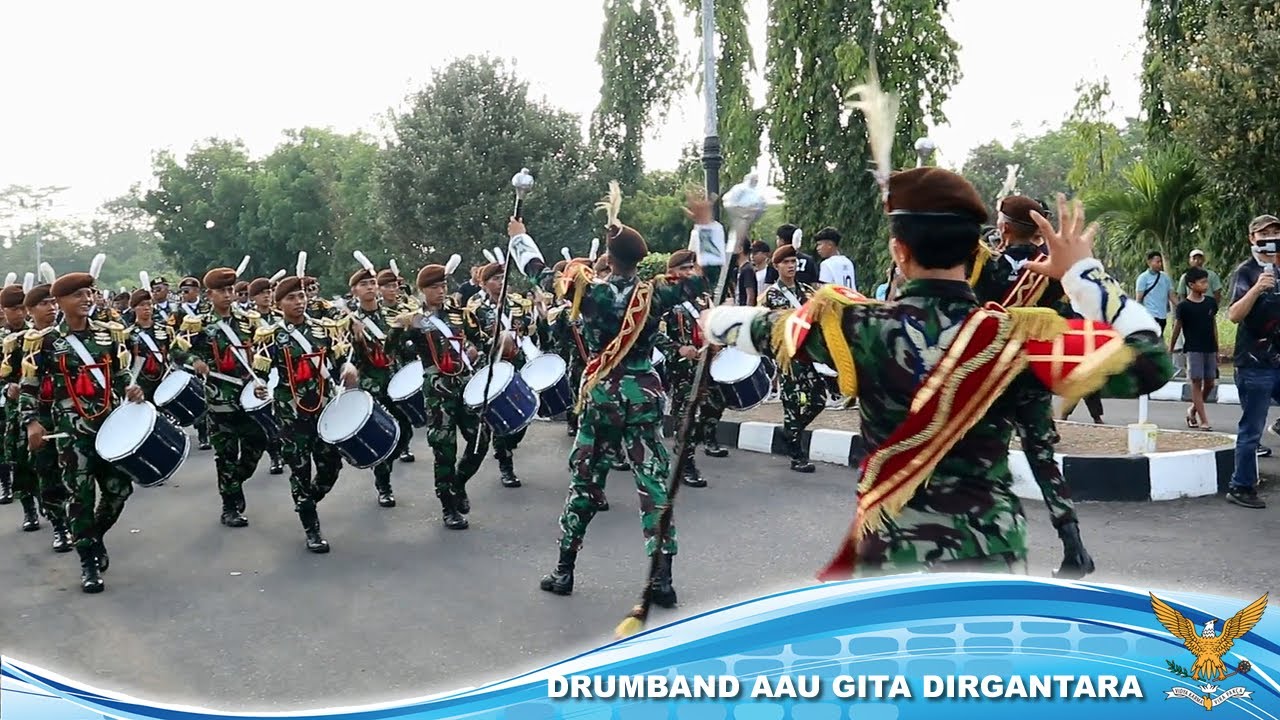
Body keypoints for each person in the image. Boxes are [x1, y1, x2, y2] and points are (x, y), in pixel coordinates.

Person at [701, 170, 1173, 578]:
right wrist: (1083, 275)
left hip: (890, 556)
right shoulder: (1023, 337)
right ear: (977, 251)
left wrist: (712, 320)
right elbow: (1151, 362)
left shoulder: (854, 326)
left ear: (898, 250)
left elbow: (749, 326)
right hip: (989, 553)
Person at [507, 184, 708, 601]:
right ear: (640, 259)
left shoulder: (592, 292)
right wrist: (705, 225)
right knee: (653, 483)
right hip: (643, 395)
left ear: (610, 260)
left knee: (585, 482)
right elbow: (706, 273)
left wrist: (519, 238)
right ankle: (662, 580)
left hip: (601, 397)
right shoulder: (655, 294)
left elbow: (541, 274)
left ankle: (564, 571)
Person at [970, 195, 1092, 571]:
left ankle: (1001, 550)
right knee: (1044, 462)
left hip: (993, 381)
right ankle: (1075, 549)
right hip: (1034, 378)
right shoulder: (1052, 270)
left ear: (1003, 228)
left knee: (988, 461)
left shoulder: (984, 267)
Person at [21, 266, 148, 593]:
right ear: (60, 301)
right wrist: (32, 422)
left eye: (90, 293)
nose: (87, 299)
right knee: (80, 496)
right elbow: (29, 387)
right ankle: (88, 562)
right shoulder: (46, 341)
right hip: (71, 433)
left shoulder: (108, 334)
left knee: (119, 490)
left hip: (110, 426)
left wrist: (133, 390)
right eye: (78, 295)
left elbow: (120, 377)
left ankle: (92, 536)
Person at [251, 268, 359, 551]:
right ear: (279, 304)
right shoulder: (271, 335)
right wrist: (259, 385)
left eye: (301, 296)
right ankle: (311, 527)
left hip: (324, 410)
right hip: (291, 414)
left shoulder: (323, 328)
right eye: (291, 298)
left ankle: (307, 501)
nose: (299, 302)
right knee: (299, 469)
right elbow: (259, 371)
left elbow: (340, 361)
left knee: (331, 466)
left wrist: (348, 368)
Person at [391, 258, 491, 529]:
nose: (441, 291)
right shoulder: (415, 319)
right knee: (444, 450)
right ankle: (448, 506)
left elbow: (481, 340)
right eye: (434, 287)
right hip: (437, 393)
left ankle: (458, 483)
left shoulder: (460, 314)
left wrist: (475, 350)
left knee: (481, 440)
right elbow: (395, 350)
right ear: (422, 290)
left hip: (465, 386)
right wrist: (400, 329)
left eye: (443, 285)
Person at [174, 267, 269, 527]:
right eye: (222, 291)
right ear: (210, 294)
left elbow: (264, 352)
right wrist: (195, 361)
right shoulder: (199, 324)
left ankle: (234, 482)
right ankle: (229, 507)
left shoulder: (249, 321)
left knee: (256, 445)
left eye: (231, 290)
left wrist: (261, 379)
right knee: (225, 454)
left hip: (249, 397)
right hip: (218, 400)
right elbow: (177, 350)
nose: (228, 295)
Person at [6, 278, 72, 551]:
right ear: (29, 309)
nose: (52, 308)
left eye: (53, 302)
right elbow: (6, 376)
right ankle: (50, 520)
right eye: (44, 303)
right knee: (32, 468)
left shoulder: (68, 337)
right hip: (31, 413)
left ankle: (69, 522)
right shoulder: (18, 343)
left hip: (66, 413)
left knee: (67, 470)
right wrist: (9, 387)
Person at [346, 255, 414, 508]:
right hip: (372, 384)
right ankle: (383, 484)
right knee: (381, 434)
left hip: (396, 380)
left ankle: (389, 461)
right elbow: (347, 357)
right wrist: (356, 339)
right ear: (354, 290)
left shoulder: (393, 314)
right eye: (364, 284)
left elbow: (404, 349)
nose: (370, 287)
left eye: (372, 282)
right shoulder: (349, 320)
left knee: (405, 430)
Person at [1223, 214, 1280, 509]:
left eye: (1275, 232)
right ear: (1252, 239)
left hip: (1278, 359)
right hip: (1254, 362)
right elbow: (1233, 315)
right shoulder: (1246, 271)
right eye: (1264, 233)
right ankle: (1241, 486)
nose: (1270, 237)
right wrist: (1258, 287)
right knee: (1252, 429)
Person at [655, 249, 724, 487]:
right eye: (683, 268)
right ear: (671, 272)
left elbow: (712, 325)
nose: (688, 273)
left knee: (715, 404)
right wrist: (677, 349)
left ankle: (703, 441)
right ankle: (686, 462)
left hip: (706, 365)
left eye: (690, 268)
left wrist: (716, 342)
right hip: (682, 368)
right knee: (686, 414)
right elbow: (652, 333)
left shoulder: (702, 298)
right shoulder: (663, 298)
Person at [469, 260, 538, 488]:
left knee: (524, 414)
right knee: (501, 415)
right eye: (495, 279)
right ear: (484, 282)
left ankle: (509, 444)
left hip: (518, 363)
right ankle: (506, 466)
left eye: (502, 277)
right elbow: (473, 339)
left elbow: (529, 327)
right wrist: (494, 342)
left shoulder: (517, 302)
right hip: (494, 366)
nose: (500, 282)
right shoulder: (476, 307)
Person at [759, 244, 826, 473]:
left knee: (818, 400)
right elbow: (761, 327)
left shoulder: (806, 291)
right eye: (786, 262)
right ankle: (797, 456)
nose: (791, 266)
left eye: (793, 262)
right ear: (776, 266)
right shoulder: (769, 296)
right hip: (786, 358)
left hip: (807, 355)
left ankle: (790, 433)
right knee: (792, 403)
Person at [1169, 267, 1219, 430]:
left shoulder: (1210, 303)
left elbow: (1213, 325)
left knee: (1210, 383)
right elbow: (1177, 327)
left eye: (1207, 282)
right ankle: (1204, 420)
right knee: (1196, 382)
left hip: (1209, 347)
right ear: (1191, 284)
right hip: (1193, 348)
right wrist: (1171, 347)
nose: (1206, 285)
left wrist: (1217, 348)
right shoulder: (1184, 307)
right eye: (1202, 282)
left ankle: (1192, 410)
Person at [247, 275, 284, 475]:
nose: (267, 296)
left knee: (279, 414)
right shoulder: (248, 320)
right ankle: (275, 454)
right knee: (265, 415)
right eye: (262, 293)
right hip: (257, 371)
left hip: (280, 371)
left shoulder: (279, 317)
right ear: (253, 297)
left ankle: (284, 447)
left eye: (269, 292)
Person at [686, 190, 727, 288]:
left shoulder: (716, 228)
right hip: (703, 276)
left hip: (713, 274)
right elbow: (691, 255)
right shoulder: (696, 232)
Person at [1135, 251, 1175, 332]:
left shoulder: (1165, 278)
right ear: (1149, 262)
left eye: (1161, 262)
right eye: (1157, 262)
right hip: (1150, 315)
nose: (1160, 264)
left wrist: (1183, 306)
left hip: (1162, 316)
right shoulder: (1143, 278)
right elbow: (1139, 299)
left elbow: (1172, 296)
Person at [815, 226, 858, 291]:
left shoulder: (826, 264)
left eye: (820, 244)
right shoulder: (848, 262)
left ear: (830, 245)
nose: (817, 248)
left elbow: (825, 291)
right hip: (852, 299)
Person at [736, 241, 769, 307]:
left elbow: (750, 295)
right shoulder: (746, 270)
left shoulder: (769, 272)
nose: (752, 256)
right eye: (751, 253)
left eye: (755, 253)